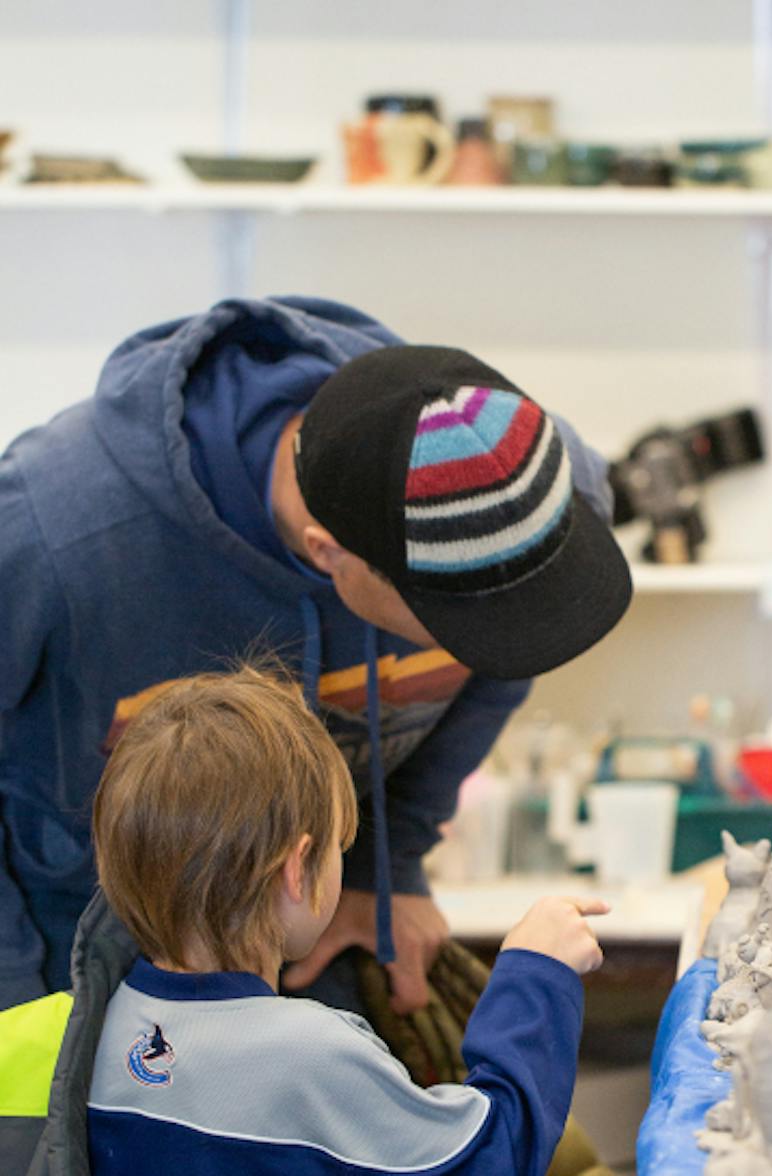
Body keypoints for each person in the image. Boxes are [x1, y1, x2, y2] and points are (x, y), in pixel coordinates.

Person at [0, 296, 633, 1016]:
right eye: (453, 626)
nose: (488, 647)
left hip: (303, 927)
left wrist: (380, 868)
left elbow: (513, 648)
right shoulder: (44, 536)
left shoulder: (519, 480)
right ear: (330, 555)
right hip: (69, 958)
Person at [75, 665, 605, 1174]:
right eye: (338, 847)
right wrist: (535, 973)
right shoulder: (312, 1057)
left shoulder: (93, 1033)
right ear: (296, 871)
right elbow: (488, 1155)